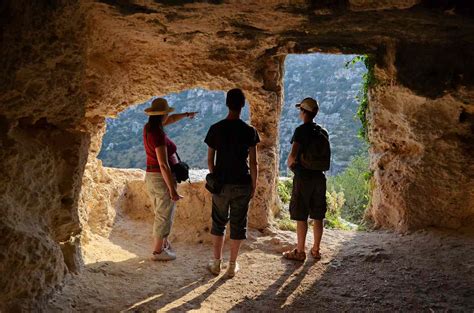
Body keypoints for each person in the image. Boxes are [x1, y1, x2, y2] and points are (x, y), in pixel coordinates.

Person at [204, 88, 259, 278]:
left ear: (227, 104)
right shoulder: (250, 131)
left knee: (218, 222)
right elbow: (253, 162)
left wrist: (215, 177)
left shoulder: (216, 128)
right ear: (242, 105)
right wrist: (254, 184)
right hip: (243, 183)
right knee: (238, 224)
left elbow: (210, 160)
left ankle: (216, 263)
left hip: (221, 183)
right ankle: (232, 265)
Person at [143, 97, 197, 261]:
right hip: (161, 179)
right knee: (164, 215)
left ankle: (163, 244)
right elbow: (164, 165)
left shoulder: (149, 127)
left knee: (160, 213)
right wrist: (172, 190)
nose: (169, 117)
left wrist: (186, 114)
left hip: (151, 177)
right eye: (167, 114)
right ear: (163, 115)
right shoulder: (158, 134)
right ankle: (158, 252)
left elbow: (172, 119)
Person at [283, 97, 330, 262]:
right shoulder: (323, 132)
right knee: (318, 215)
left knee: (301, 214)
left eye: (300, 110)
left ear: (304, 112)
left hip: (303, 177)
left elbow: (292, 156)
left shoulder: (301, 131)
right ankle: (316, 250)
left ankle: (300, 251)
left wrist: (291, 166)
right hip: (319, 177)